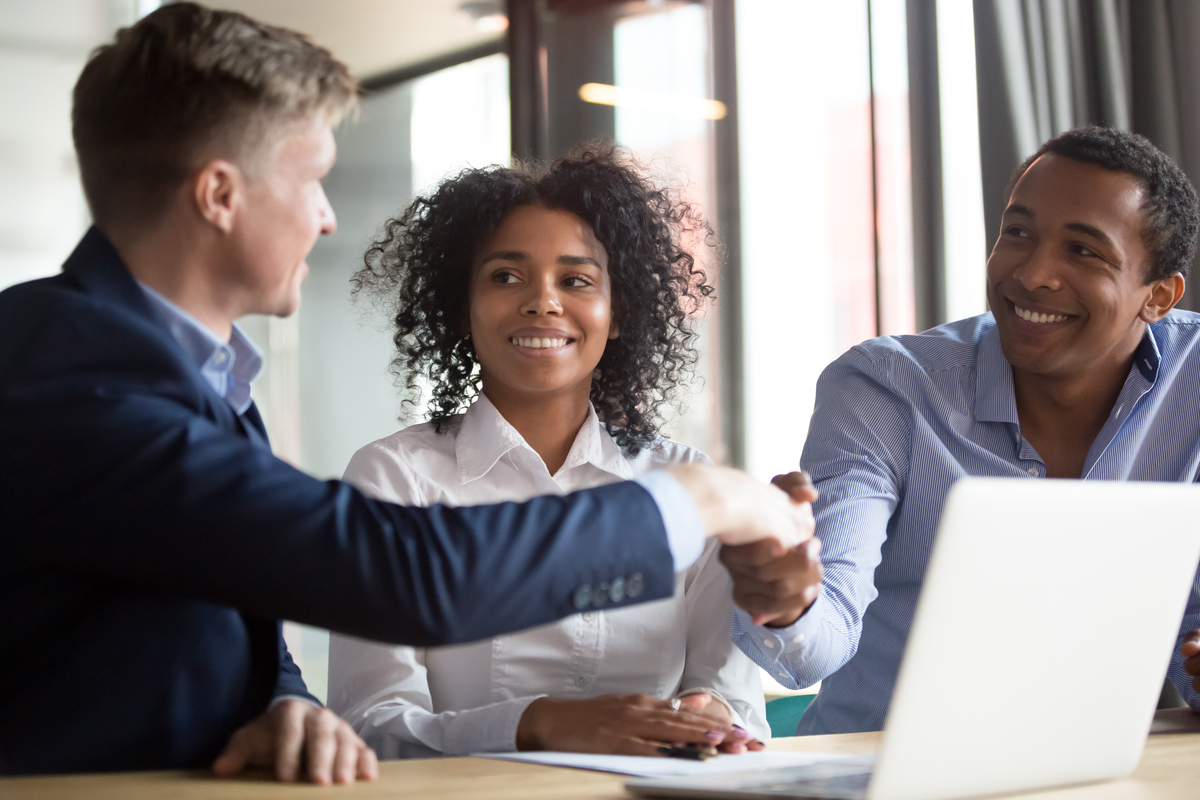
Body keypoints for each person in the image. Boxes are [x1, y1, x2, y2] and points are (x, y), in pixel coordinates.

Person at [0, 3, 813, 781]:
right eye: (314, 178)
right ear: (219, 195)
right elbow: (405, 575)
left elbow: (248, 627)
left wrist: (286, 705)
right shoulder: (71, 372)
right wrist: (699, 500)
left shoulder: (200, 375)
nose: (325, 217)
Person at [721, 125, 1200, 734]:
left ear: (1157, 296)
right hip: (875, 774)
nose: (1033, 274)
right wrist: (787, 602)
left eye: (1083, 251)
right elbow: (820, 639)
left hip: (1096, 769)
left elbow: (1191, 639)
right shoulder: (886, 386)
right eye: (1018, 233)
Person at [326, 149, 770, 759]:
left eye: (577, 280)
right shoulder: (395, 478)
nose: (543, 302)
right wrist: (538, 724)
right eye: (506, 276)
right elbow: (369, 727)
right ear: (463, 307)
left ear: (618, 313)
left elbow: (735, 704)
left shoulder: (684, 481)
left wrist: (707, 715)